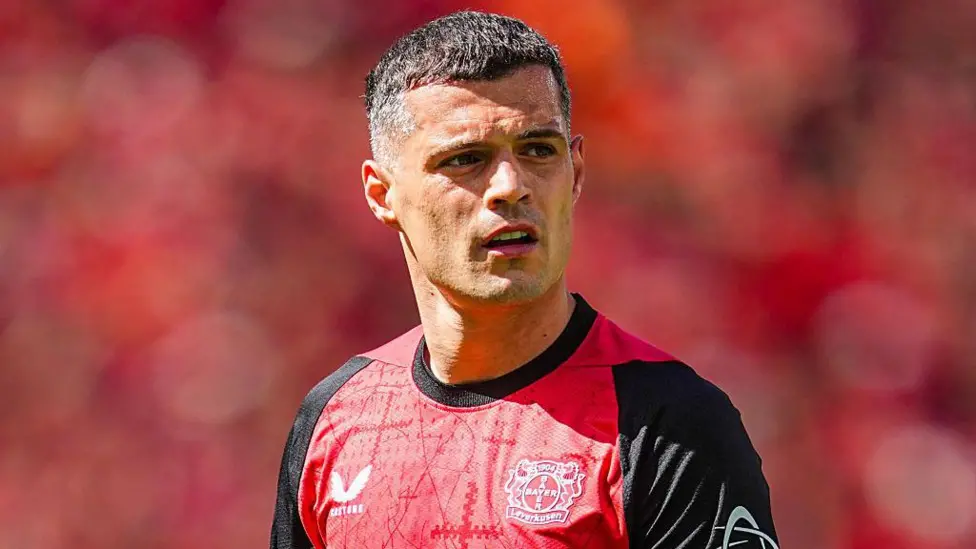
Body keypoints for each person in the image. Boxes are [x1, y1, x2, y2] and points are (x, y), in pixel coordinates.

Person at [271, 10, 778, 549]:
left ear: (576, 172)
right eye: (466, 159)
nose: (510, 186)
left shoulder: (670, 423)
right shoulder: (335, 419)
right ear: (382, 195)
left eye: (538, 150)